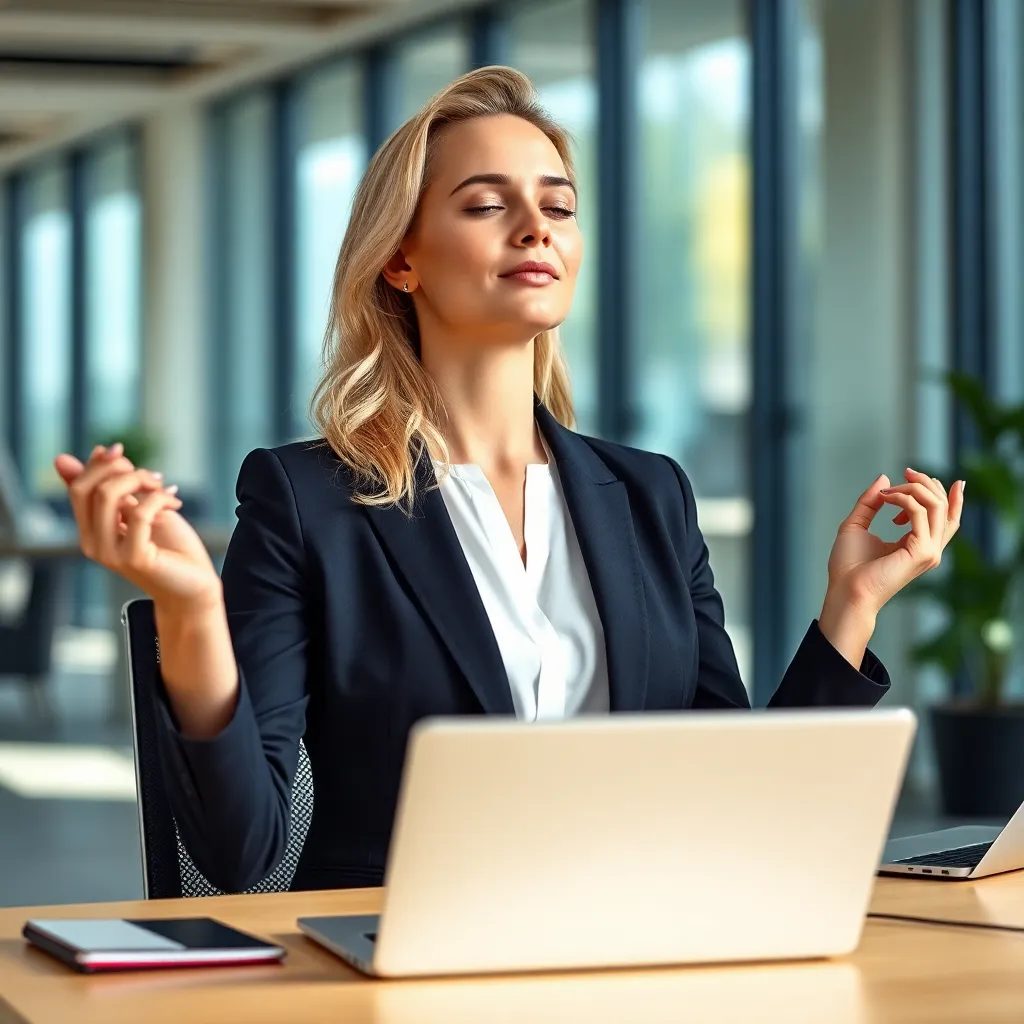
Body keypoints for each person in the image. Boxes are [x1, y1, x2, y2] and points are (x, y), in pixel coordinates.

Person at [55, 67, 963, 894]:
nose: (536, 227)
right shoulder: (308, 500)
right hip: (403, 954)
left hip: (639, 942)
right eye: (487, 205)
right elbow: (238, 855)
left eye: (558, 206)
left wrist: (851, 609)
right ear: (400, 260)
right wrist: (192, 611)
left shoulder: (652, 496)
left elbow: (737, 801)